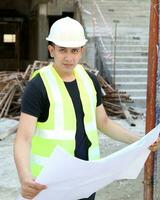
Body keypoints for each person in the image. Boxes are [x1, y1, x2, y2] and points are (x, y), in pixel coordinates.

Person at [14, 17, 160, 200]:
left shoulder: (89, 80)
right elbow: (23, 138)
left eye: (74, 50)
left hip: (87, 177)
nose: (69, 57)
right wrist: (25, 177)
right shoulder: (38, 86)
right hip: (51, 183)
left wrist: (139, 141)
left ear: (82, 50)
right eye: (62, 50)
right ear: (51, 50)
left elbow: (103, 122)